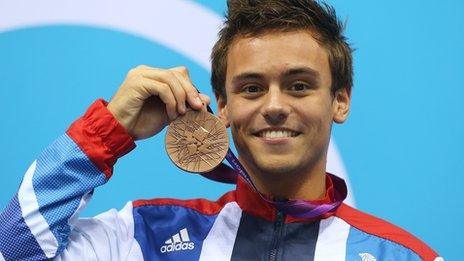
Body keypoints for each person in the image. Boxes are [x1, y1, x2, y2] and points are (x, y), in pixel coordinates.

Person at [0, 0, 442, 260]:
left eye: (299, 86)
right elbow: (13, 249)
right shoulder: (142, 236)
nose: (273, 106)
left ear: (340, 100)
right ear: (224, 105)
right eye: (252, 88)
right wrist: (108, 130)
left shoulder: (401, 256)